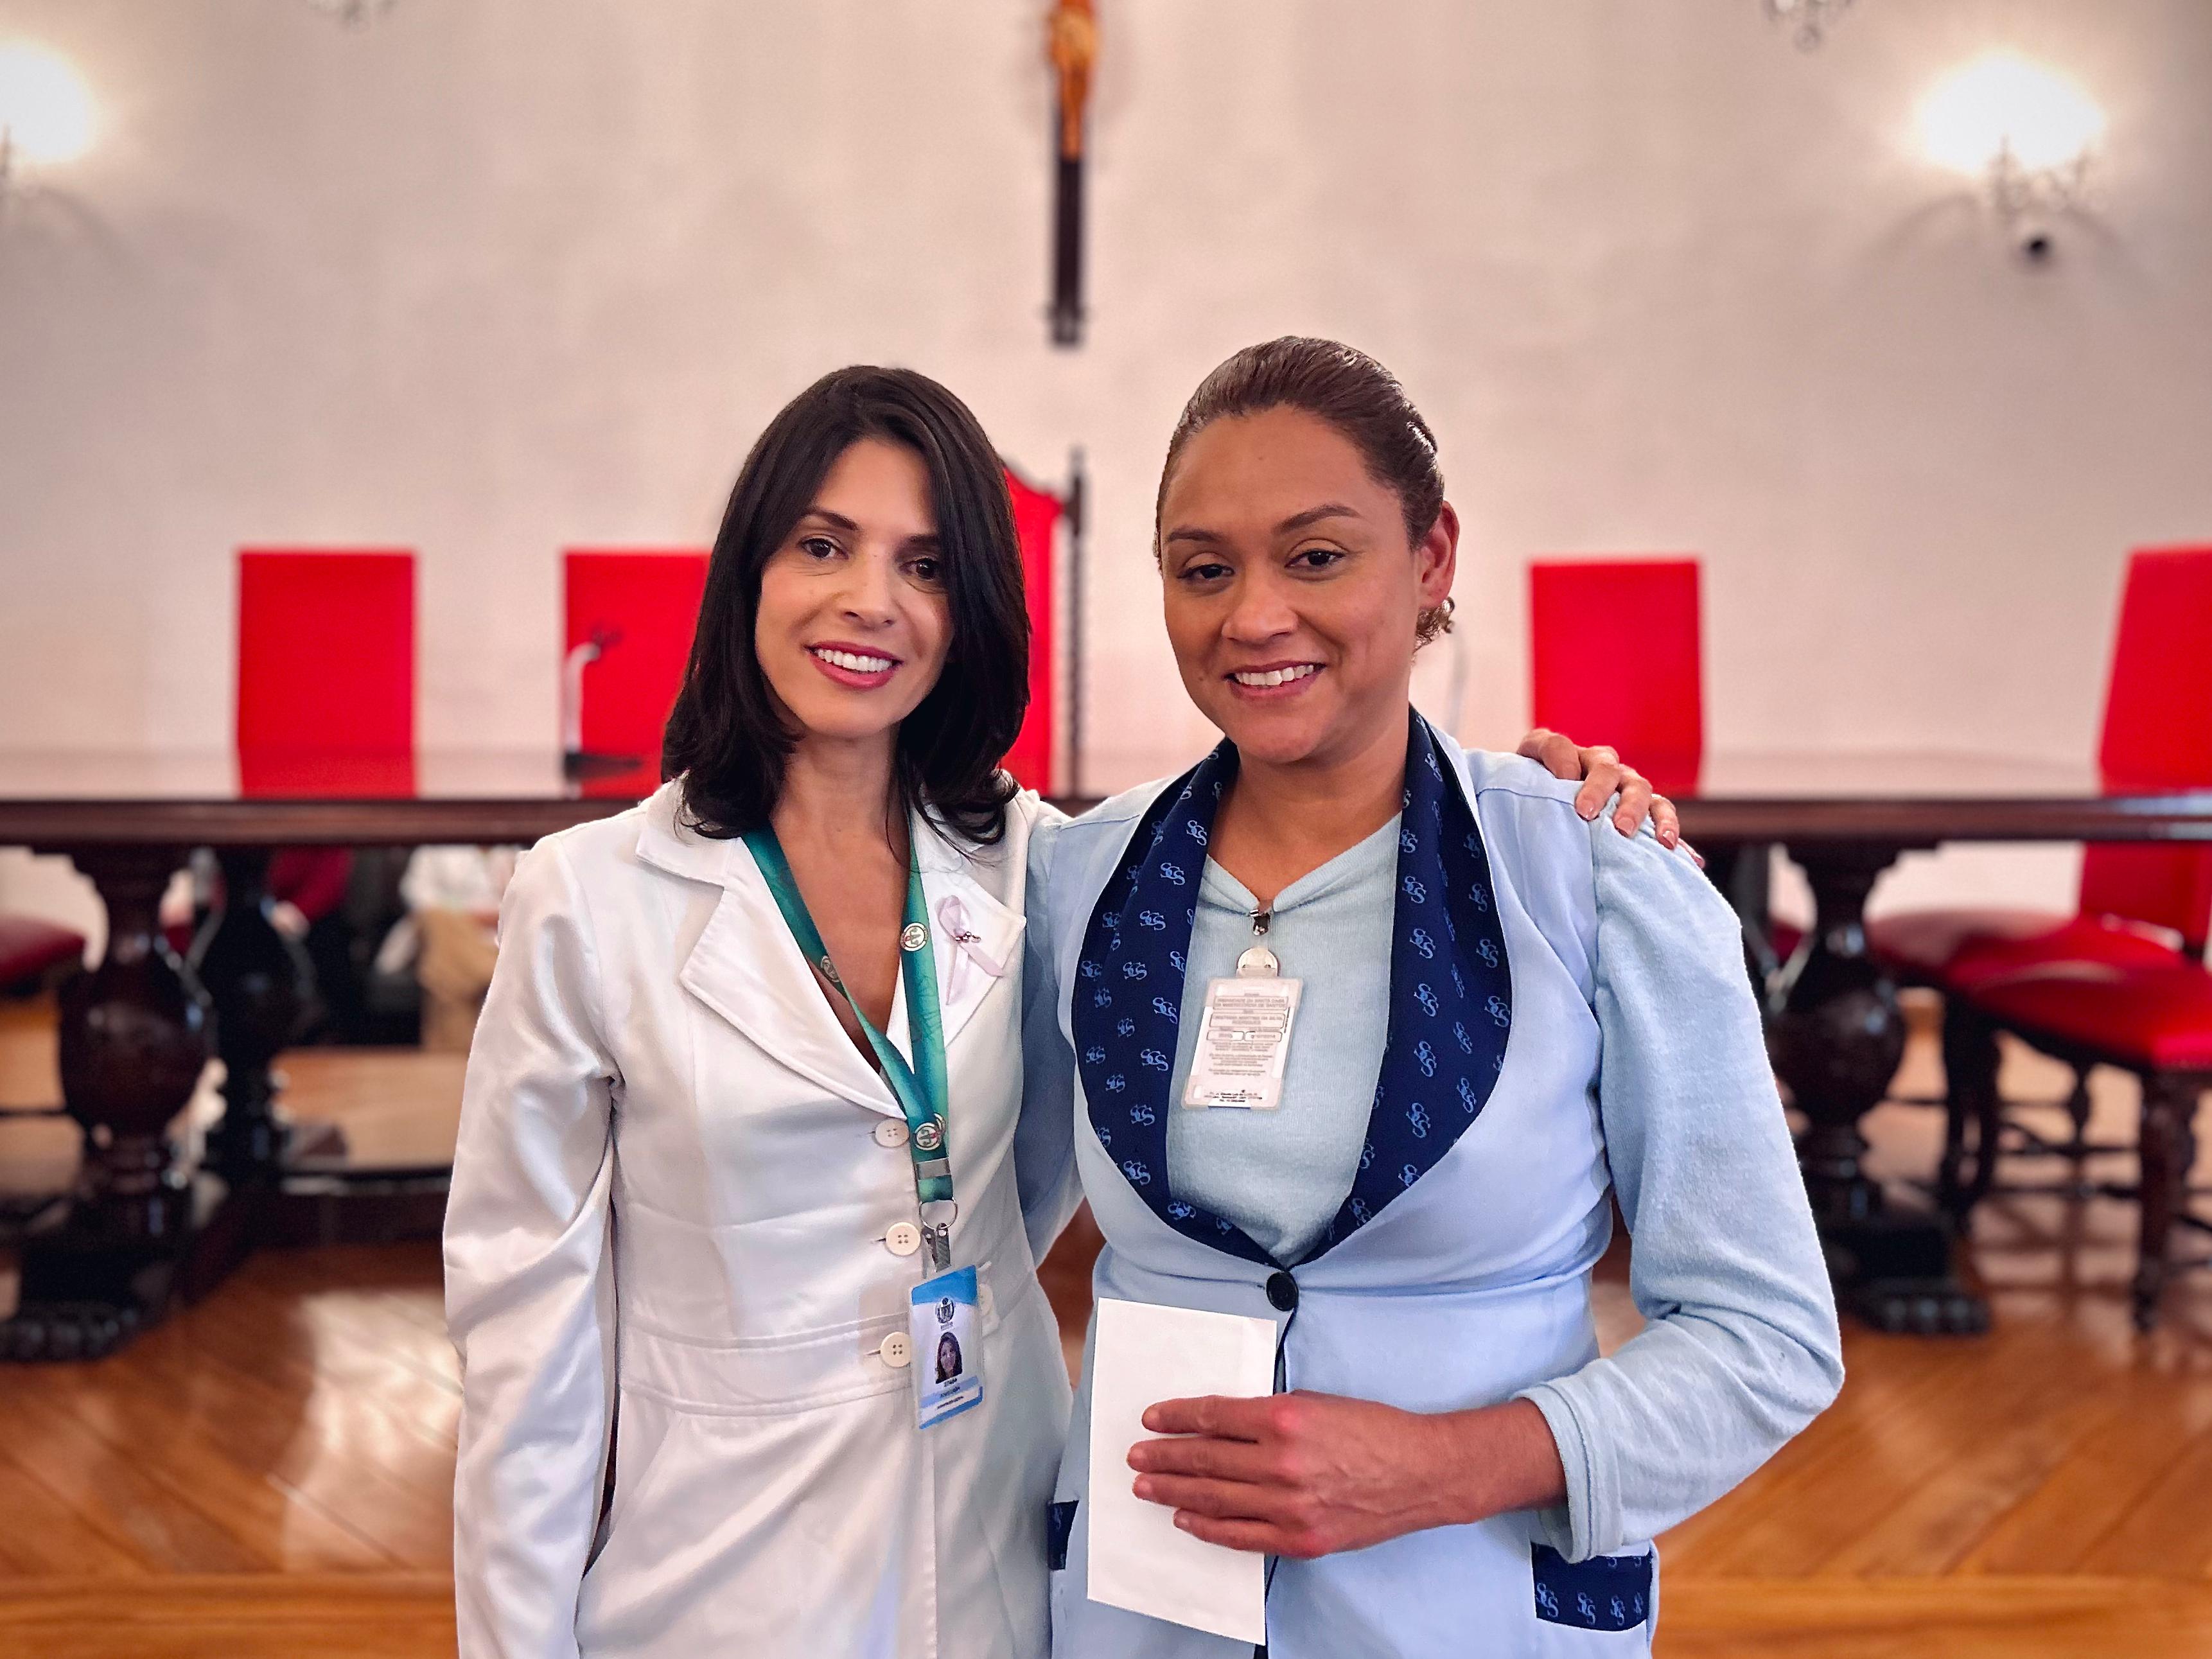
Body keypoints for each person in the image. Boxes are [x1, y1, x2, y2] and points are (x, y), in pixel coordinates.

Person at [443, 362, 1671, 1659]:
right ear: (750, 568)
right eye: (822, 545)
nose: (869, 599)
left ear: (970, 606)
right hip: (721, 1564)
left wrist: (1530, 799)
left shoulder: (1048, 864)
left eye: (925, 565)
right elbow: (528, 1345)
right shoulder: (590, 895)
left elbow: (1027, 1188)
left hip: (1003, 1535)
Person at [1017, 338, 1844, 1657]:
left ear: (1432, 558)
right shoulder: (1080, 879)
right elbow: (969, 1241)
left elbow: (1769, 1338)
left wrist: (1445, 1466)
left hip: (1469, 1606)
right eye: (1204, 568)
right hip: (1143, 1611)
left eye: (1316, 556)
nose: (1254, 616)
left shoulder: (1590, 871)